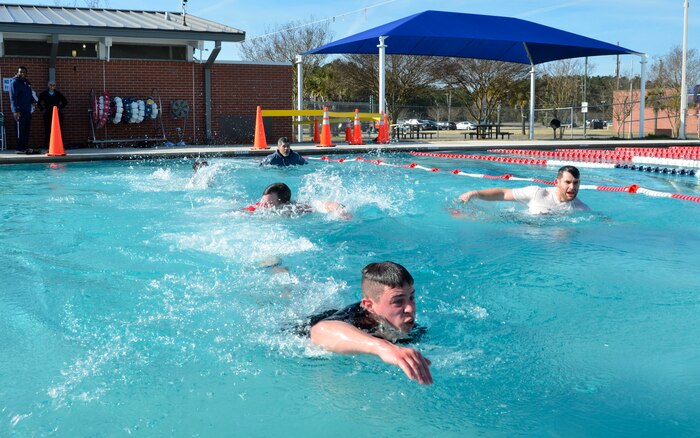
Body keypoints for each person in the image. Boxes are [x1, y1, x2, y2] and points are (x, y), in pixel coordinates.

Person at [306, 261, 432, 385]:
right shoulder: (356, 321)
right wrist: (382, 347)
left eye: (411, 298)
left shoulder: (410, 327)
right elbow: (318, 331)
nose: (410, 308)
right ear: (369, 306)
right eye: (398, 302)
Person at [458, 165, 590, 214]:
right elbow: (503, 193)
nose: (572, 187)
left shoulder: (580, 208)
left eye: (576, 183)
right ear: (557, 182)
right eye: (568, 182)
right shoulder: (537, 193)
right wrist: (474, 193)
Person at [244, 182, 351, 219]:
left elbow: (323, 205)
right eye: (263, 201)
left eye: (269, 203)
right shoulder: (258, 207)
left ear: (284, 203)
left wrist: (340, 210)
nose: (264, 206)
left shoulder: (294, 208)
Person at [9, 66, 39, 154]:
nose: (22, 73)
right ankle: (19, 148)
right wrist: (15, 110)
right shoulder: (14, 82)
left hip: (27, 110)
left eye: (24, 72)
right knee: (20, 130)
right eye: (20, 72)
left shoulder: (26, 83)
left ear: (26, 73)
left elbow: (29, 95)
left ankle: (25, 147)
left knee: (26, 130)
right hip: (19, 111)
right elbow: (13, 98)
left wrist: (33, 101)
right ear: (17, 72)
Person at [37, 81, 68, 149]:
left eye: (53, 85)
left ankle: (59, 145)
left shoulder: (57, 94)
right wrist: (42, 108)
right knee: (48, 129)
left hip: (56, 114)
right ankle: (48, 145)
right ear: (48, 85)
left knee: (59, 129)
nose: (52, 86)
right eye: (50, 85)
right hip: (48, 113)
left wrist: (59, 108)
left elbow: (65, 101)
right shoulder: (44, 94)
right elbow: (38, 101)